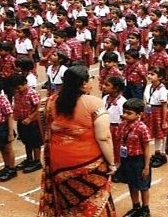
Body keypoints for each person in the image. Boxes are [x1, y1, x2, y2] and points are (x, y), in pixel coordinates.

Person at [38, 65, 117, 217]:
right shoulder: (93, 103)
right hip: (89, 162)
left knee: (67, 200)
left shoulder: (50, 101)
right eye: (90, 78)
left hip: (58, 161)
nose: (92, 80)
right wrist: (112, 163)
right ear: (83, 84)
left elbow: (45, 129)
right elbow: (104, 137)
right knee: (95, 200)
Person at [114, 98, 152, 217]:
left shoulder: (142, 128)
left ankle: (145, 209)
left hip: (139, 160)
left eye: (129, 113)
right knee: (131, 183)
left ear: (139, 114)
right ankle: (136, 206)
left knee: (143, 186)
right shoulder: (122, 125)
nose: (125, 115)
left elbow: (147, 148)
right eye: (124, 112)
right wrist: (119, 161)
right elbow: (119, 140)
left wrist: (146, 166)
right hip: (127, 159)